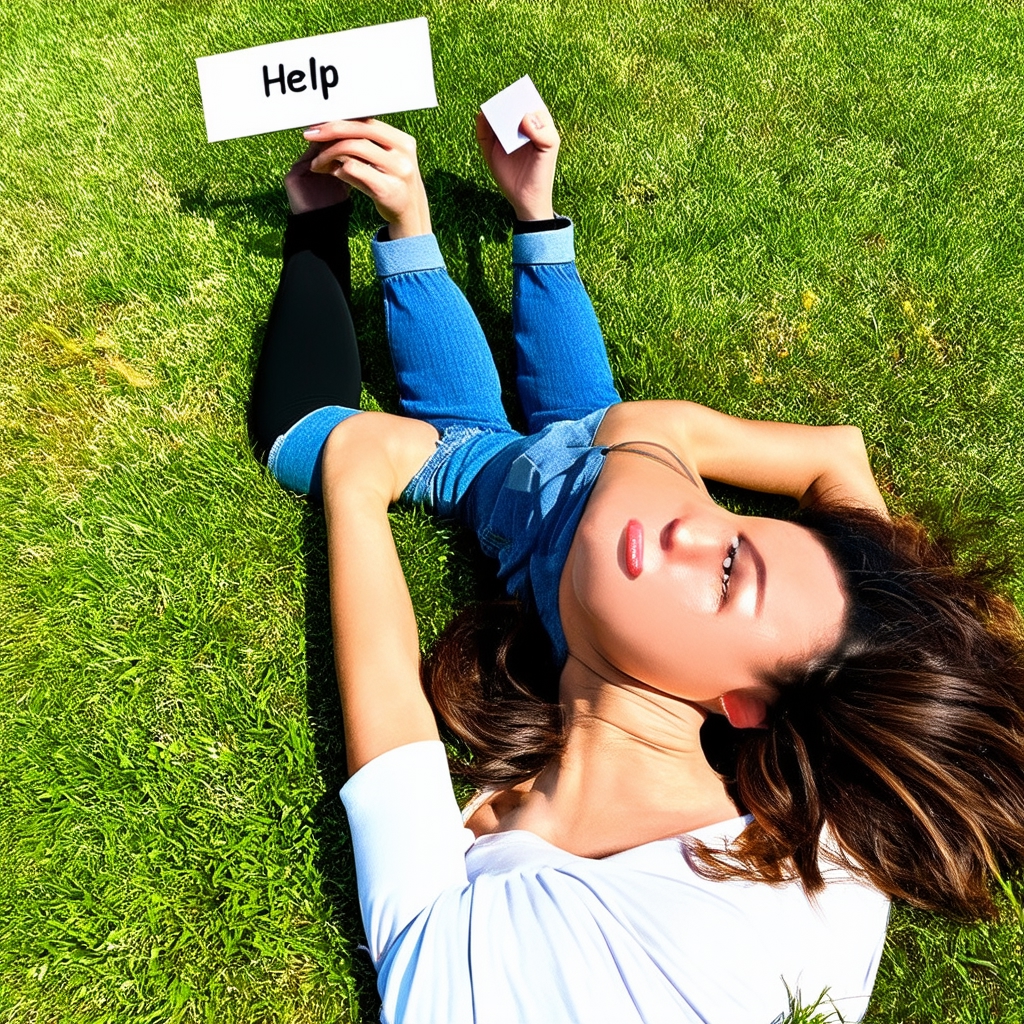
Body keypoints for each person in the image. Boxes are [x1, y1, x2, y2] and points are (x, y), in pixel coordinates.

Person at [249, 109, 1024, 1023]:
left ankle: (456, 219)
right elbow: (812, 460)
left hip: (590, 491)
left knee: (521, 434)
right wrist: (659, 441)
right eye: (735, 536)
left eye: (731, 578)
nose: (695, 534)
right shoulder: (832, 842)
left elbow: (397, 776)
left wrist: (357, 486)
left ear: (745, 705)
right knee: (490, 430)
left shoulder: (514, 934)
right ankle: (432, 219)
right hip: (609, 478)